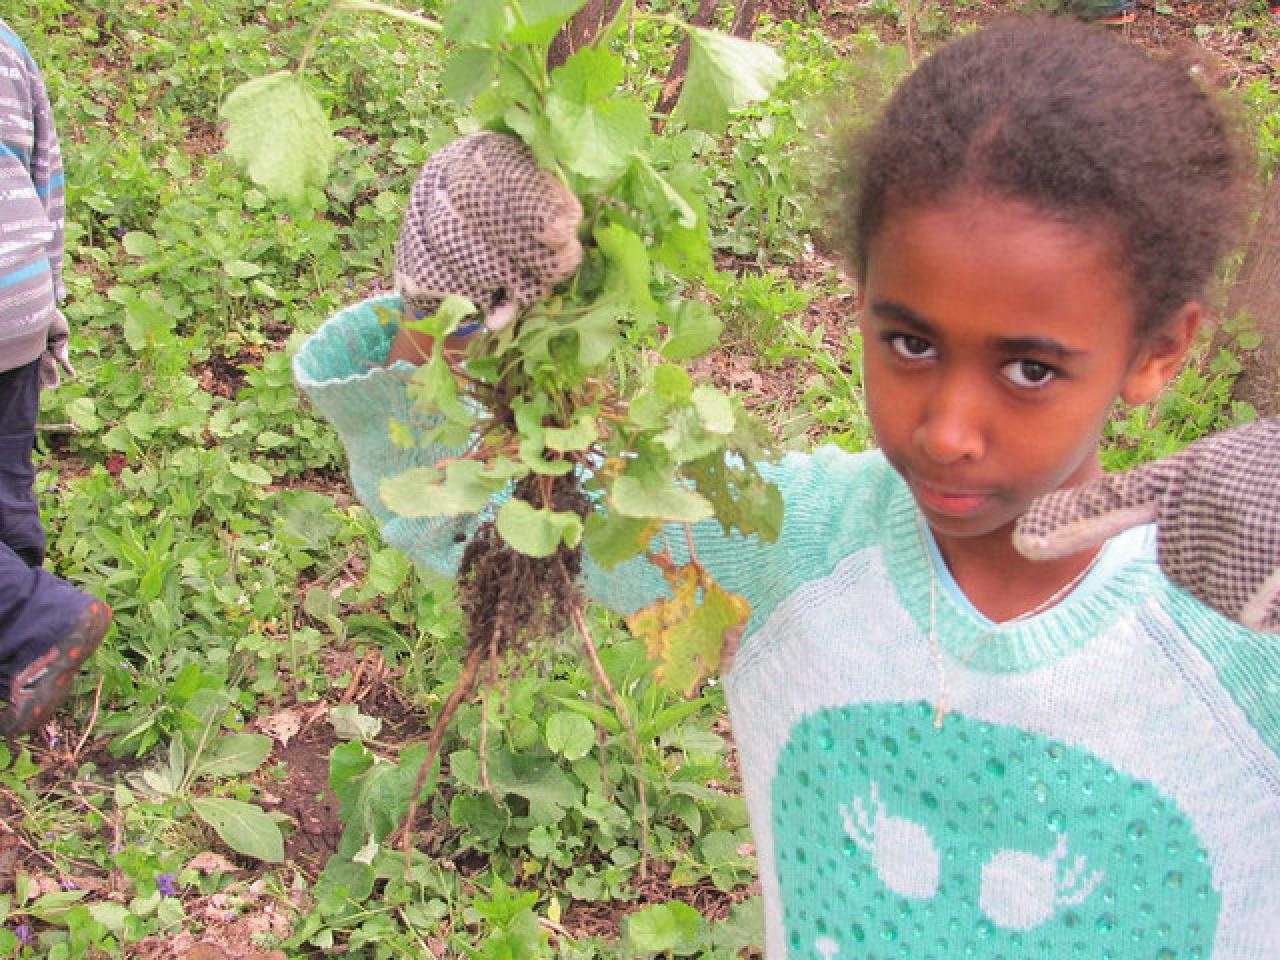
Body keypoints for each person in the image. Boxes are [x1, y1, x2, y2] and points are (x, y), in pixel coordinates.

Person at [296, 17, 1279, 957]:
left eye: (1028, 370)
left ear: (1156, 353)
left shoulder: (1240, 625)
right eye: (907, 342)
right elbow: (466, 503)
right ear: (858, 301)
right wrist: (445, 309)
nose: (944, 430)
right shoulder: (783, 549)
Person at [0, 20, 111, 738]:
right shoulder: (10, 45)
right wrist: (46, 306)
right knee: (5, 476)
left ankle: (33, 622)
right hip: (18, 294)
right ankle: (19, 657)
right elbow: (48, 175)